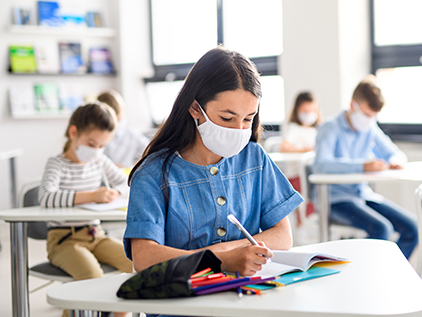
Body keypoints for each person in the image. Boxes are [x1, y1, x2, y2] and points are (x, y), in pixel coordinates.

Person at [123, 46, 304, 278]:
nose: (239, 129)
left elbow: (282, 236)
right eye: (227, 118)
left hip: (247, 295)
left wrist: (224, 250)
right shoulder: (154, 174)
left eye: (248, 118)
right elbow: (145, 257)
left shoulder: (254, 158)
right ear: (195, 108)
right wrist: (219, 260)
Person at [39, 103, 133, 317]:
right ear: (73, 133)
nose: (96, 150)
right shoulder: (57, 164)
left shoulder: (99, 161)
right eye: (92, 143)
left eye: (102, 146)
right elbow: (46, 197)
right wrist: (92, 196)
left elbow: (126, 183)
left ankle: (118, 313)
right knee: (93, 280)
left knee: (136, 264)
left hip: (96, 236)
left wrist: (114, 193)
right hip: (64, 241)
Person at [313, 77, 418, 259]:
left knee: (412, 228)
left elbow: (395, 153)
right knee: (382, 228)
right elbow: (321, 165)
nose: (370, 120)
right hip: (336, 200)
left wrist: (394, 160)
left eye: (373, 116)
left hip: (362, 194)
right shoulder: (330, 128)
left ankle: (391, 274)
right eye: (367, 115)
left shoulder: (370, 127)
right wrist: (363, 166)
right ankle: (369, 280)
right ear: (353, 105)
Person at [98, 89, 150, 168]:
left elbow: (150, 151)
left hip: (125, 174)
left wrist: (135, 166)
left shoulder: (132, 134)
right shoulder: (99, 136)